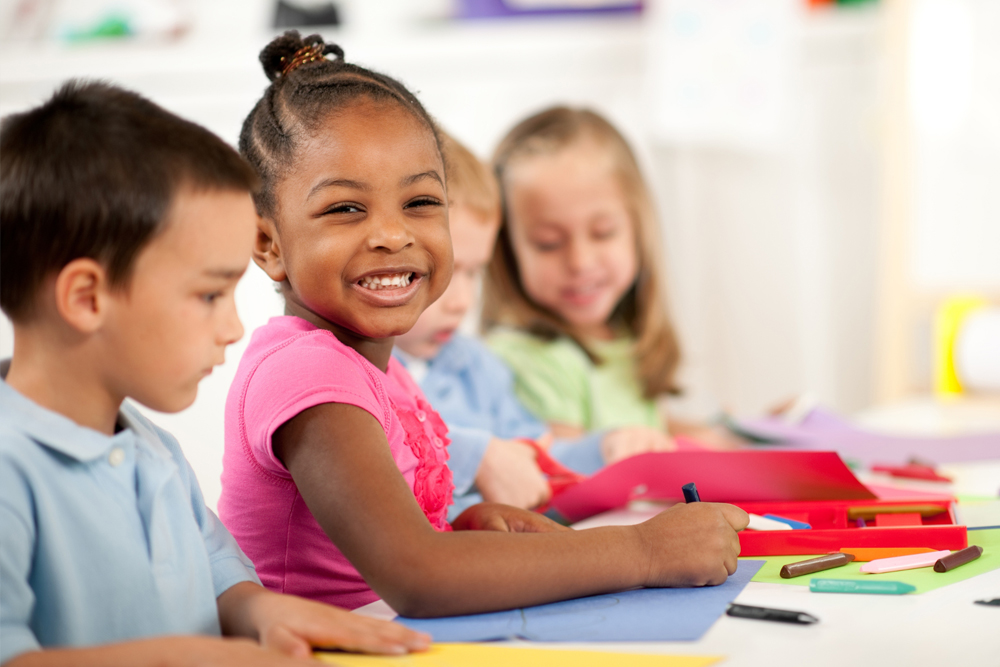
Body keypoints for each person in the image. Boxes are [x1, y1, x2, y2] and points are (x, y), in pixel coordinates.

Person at [219, 31, 748, 620]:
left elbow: (403, 550)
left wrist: (462, 529)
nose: (394, 234)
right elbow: (417, 576)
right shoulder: (307, 373)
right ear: (267, 242)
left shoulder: (375, 367)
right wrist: (645, 551)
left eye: (421, 202)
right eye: (346, 208)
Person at [0, 81, 428, 667]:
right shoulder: (9, 471)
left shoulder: (152, 451)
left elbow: (221, 578)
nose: (232, 328)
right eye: (208, 295)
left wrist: (264, 612)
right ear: (87, 298)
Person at [393, 132, 674, 518]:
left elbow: (538, 452)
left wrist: (607, 447)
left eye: (473, 273)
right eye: (437, 272)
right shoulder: (360, 373)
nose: (461, 302)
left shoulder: (478, 366)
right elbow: (379, 452)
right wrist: (478, 458)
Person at [484, 107, 735, 446]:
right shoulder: (528, 359)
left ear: (637, 228)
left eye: (603, 233)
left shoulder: (619, 337)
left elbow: (648, 424)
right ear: (508, 251)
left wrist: (729, 433)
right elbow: (568, 476)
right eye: (549, 243)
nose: (580, 261)